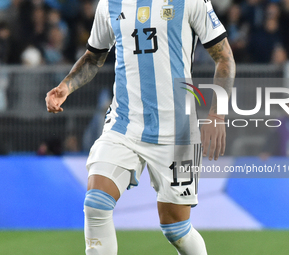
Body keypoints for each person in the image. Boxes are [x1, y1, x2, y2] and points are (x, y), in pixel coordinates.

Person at [45, 0, 235, 254]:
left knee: (176, 229)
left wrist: (217, 115)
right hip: (124, 124)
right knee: (96, 204)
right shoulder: (109, 4)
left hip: (177, 130)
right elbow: (93, 57)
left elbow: (224, 57)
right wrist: (66, 86)